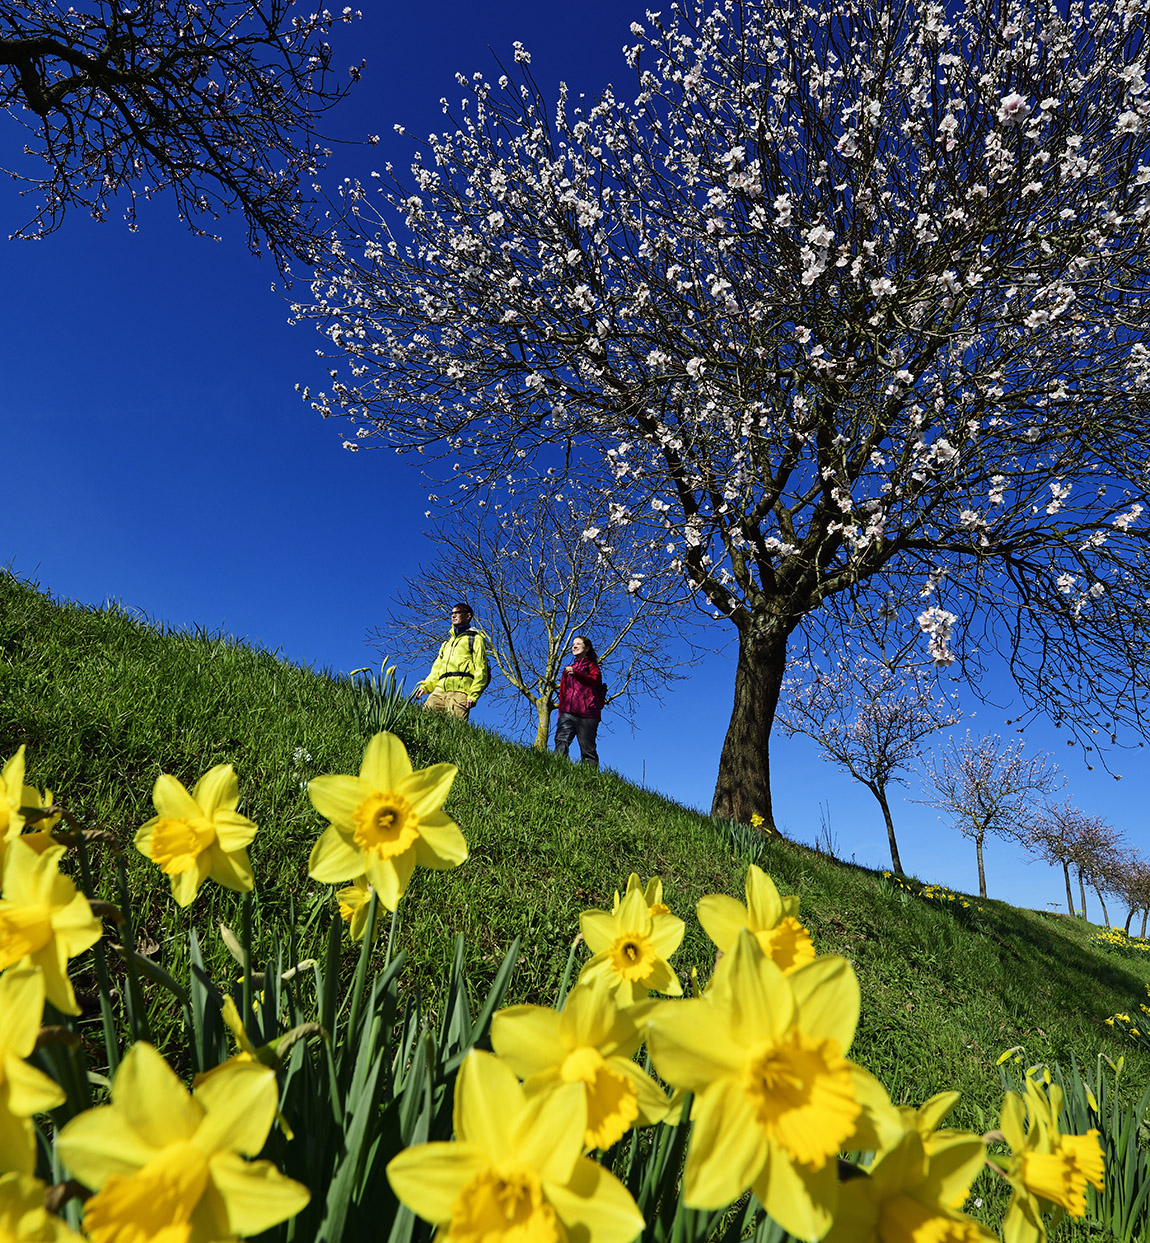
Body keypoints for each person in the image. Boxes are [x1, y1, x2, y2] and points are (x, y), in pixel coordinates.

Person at [415, 602, 490, 721]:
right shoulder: (446, 644)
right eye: (452, 613)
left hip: (460, 692)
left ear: (468, 616)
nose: (453, 616)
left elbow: (481, 669)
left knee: (454, 728)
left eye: (457, 613)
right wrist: (425, 687)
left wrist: (473, 694)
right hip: (439, 691)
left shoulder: (475, 639)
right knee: (424, 721)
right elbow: (436, 670)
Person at [554, 634, 604, 770]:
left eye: (578, 644)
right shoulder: (567, 670)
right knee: (561, 741)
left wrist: (577, 673)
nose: (574, 646)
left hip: (588, 715)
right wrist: (561, 714)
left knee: (588, 749)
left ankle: (590, 778)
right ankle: (557, 770)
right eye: (572, 645)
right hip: (568, 713)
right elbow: (563, 694)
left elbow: (593, 681)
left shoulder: (593, 667)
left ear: (586, 648)